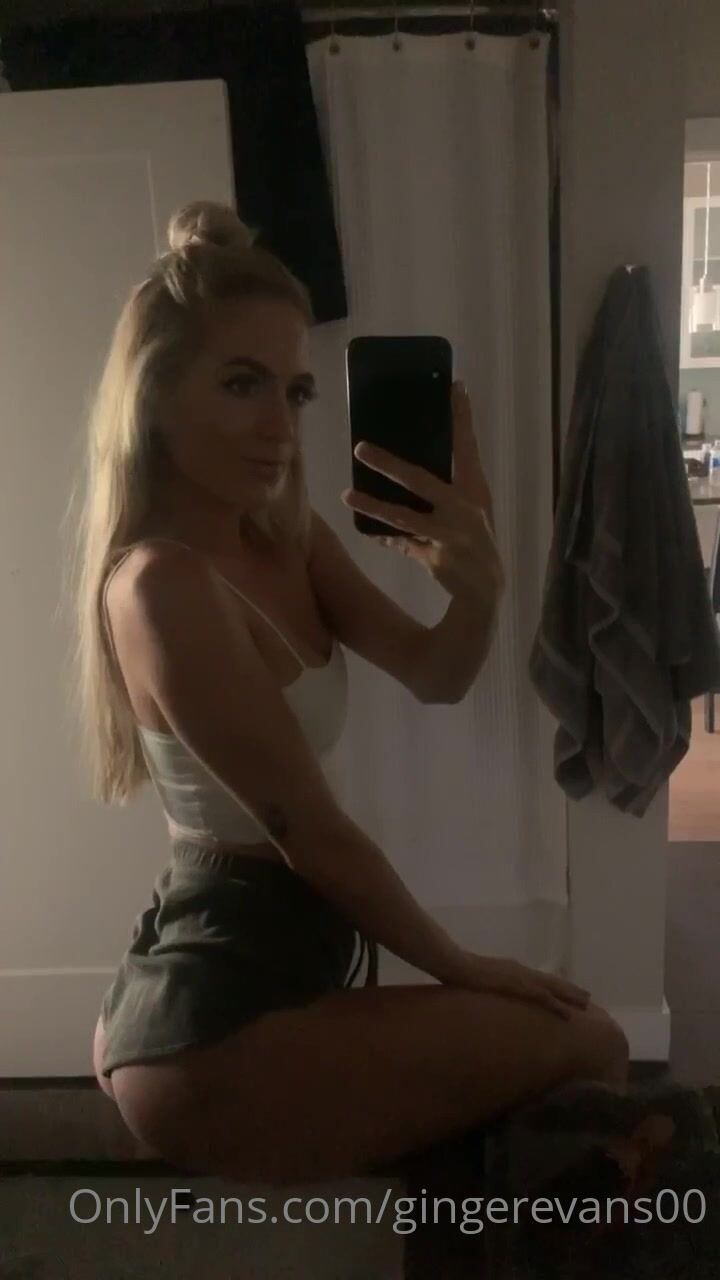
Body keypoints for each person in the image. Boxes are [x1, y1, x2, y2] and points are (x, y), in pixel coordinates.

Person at [75, 199, 630, 1186]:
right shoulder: (162, 585)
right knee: (592, 1044)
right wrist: (465, 962)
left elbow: (437, 674)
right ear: (154, 397)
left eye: (295, 392)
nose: (278, 427)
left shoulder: (289, 541)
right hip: (214, 1022)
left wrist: (480, 588)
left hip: (290, 966)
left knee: (547, 1085)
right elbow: (314, 834)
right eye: (241, 384)